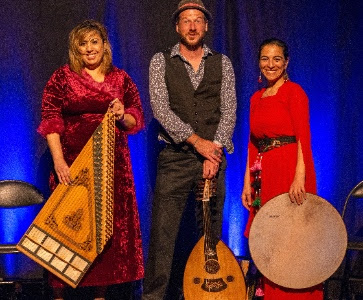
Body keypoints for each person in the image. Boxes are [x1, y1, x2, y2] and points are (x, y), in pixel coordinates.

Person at [37, 20, 144, 300]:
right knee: (66, 228)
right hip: (73, 162)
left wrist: (122, 114)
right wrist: (59, 162)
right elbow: (50, 119)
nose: (89, 48)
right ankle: (60, 295)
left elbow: (136, 116)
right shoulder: (62, 77)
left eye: (94, 42)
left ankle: (100, 294)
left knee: (106, 227)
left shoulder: (120, 78)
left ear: (104, 45)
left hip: (112, 165)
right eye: (83, 44)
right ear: (76, 49)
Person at [142, 1, 237, 299]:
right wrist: (199, 144)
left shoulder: (222, 62)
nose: (193, 26)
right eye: (186, 21)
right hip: (175, 158)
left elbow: (229, 110)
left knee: (210, 234)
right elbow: (161, 109)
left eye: (198, 20)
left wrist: (215, 151)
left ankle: (205, 293)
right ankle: (155, 296)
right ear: (177, 27)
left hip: (213, 160)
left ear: (206, 26)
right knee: (163, 236)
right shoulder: (161, 61)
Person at [241, 38, 323, 299]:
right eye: (265, 58)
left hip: (289, 168)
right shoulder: (256, 98)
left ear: (286, 62)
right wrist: (246, 183)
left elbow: (303, 138)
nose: (270, 64)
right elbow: (252, 145)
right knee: (269, 236)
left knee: (291, 236)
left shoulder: (294, 92)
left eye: (277, 59)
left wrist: (300, 177)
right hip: (263, 173)